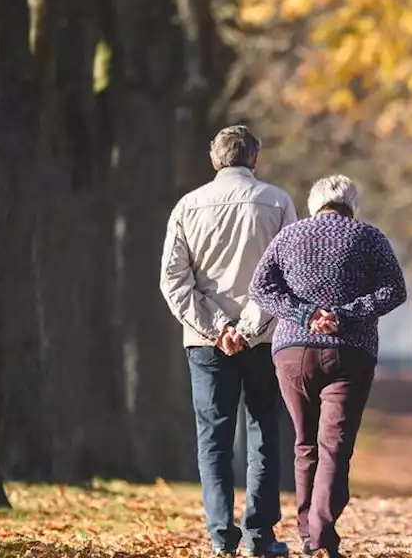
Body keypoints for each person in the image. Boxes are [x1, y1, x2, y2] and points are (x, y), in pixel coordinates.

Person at [248, 175, 407, 558]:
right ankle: (320, 533)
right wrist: (343, 315)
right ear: (351, 204)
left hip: (292, 352)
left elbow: (261, 289)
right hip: (350, 351)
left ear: (314, 203)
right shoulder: (369, 236)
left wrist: (306, 315)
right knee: (334, 446)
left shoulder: (288, 236)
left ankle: (309, 535)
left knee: (305, 444)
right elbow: (394, 291)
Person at [159, 125, 296, 558]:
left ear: (215, 159)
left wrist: (218, 327)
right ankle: (259, 535)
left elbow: (173, 280)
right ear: (255, 158)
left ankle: (221, 536)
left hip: (204, 342)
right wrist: (248, 326)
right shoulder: (276, 202)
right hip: (265, 339)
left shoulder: (188, 206)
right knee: (264, 433)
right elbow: (285, 276)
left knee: (213, 438)